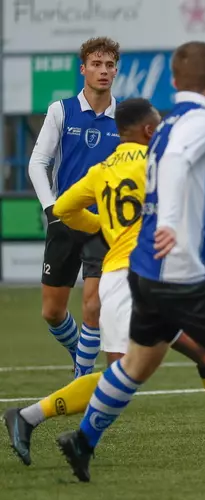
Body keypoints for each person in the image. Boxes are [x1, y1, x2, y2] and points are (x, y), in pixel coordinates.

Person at [3, 98, 205, 467]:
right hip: (137, 281)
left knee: (203, 355)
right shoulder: (156, 165)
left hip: (132, 278)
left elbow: (63, 208)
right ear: (148, 131)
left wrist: (103, 228)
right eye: (158, 126)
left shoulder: (101, 169)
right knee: (124, 374)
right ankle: (31, 417)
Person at [28, 37, 123, 377]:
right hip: (65, 219)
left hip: (104, 224)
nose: (103, 71)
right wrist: (50, 209)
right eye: (96, 64)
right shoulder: (61, 110)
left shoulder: (125, 116)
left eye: (109, 65)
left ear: (116, 71)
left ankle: (82, 381)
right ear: (83, 69)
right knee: (52, 313)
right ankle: (78, 351)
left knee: (93, 306)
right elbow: (38, 163)